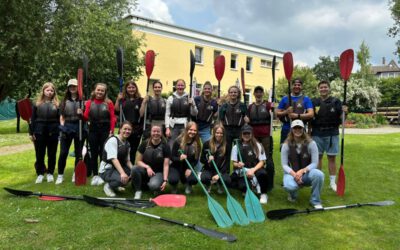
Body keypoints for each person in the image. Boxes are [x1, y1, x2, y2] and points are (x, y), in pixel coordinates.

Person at [311, 80, 347, 192]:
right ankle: (318, 180)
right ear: (318, 89)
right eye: (321, 87)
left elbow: (342, 119)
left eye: (325, 87)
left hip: (332, 133)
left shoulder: (336, 101)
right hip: (317, 133)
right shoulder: (314, 101)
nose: (323, 89)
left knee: (332, 158)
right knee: (318, 158)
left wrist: (345, 112)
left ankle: (332, 183)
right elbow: (309, 117)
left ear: (329, 88)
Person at [281, 119, 324, 209]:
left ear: (303, 129)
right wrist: (294, 174)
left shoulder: (312, 144)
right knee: (290, 186)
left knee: (319, 174)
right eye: (295, 128)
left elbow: (315, 163)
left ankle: (315, 200)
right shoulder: (285, 145)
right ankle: (292, 195)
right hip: (292, 173)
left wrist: (302, 171)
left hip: (306, 174)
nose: (297, 130)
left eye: (299, 128)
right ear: (291, 130)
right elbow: (284, 165)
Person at [81, 83, 116, 186]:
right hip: (93, 130)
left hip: (105, 130)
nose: (100, 92)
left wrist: (112, 130)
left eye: (102, 91)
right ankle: (95, 175)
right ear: (94, 90)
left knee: (103, 153)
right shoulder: (89, 103)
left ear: (105, 92)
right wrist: (80, 114)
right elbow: (86, 117)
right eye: (98, 90)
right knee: (94, 153)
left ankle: (102, 174)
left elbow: (112, 118)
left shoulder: (109, 103)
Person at [230, 124, 271, 204]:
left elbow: (262, 162)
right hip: (243, 170)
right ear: (241, 134)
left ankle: (263, 193)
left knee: (263, 174)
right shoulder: (236, 147)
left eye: (248, 133)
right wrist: (238, 164)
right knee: (238, 184)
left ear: (251, 134)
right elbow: (234, 163)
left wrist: (253, 170)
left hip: (256, 169)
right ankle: (249, 187)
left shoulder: (258, 145)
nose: (246, 135)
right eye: (244, 133)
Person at [29, 82, 60, 184]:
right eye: (47, 90)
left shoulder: (57, 105)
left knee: (52, 153)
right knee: (40, 154)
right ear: (43, 91)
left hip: (53, 131)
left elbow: (59, 120)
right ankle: (40, 174)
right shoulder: (36, 104)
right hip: (39, 131)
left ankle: (50, 173)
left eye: (51, 90)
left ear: (54, 92)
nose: (49, 92)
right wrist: (31, 132)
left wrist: (60, 132)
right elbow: (32, 119)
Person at [131, 125, 170, 199]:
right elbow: (138, 161)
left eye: (158, 131)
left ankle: (154, 185)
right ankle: (138, 191)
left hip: (158, 172)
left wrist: (165, 180)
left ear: (161, 133)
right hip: (145, 170)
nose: (156, 133)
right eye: (154, 131)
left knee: (154, 185)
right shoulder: (144, 144)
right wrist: (147, 167)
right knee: (134, 168)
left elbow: (166, 165)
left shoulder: (165, 146)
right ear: (150, 133)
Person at [56, 79, 82, 184]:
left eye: (74, 86)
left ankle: (75, 174)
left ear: (77, 87)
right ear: (68, 87)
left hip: (79, 126)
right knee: (63, 153)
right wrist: (63, 127)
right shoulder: (64, 101)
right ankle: (60, 175)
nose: (72, 88)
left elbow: (86, 115)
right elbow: (62, 117)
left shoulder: (82, 100)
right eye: (70, 86)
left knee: (78, 153)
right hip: (67, 126)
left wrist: (82, 112)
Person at [99, 121, 134, 197]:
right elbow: (114, 159)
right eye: (125, 129)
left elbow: (127, 160)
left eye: (129, 130)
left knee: (133, 174)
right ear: (120, 129)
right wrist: (122, 173)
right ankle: (108, 186)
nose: (127, 131)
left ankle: (115, 185)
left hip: (116, 169)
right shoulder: (113, 140)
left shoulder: (127, 144)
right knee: (122, 179)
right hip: (107, 169)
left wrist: (134, 170)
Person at [276, 78, 314, 145]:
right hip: (287, 128)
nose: (297, 86)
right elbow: (277, 113)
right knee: (285, 150)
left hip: (300, 128)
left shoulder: (306, 99)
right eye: (295, 85)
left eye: (299, 85)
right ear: (291, 86)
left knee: (301, 150)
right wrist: (286, 112)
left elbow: (311, 114)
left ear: (301, 87)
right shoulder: (285, 99)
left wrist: (297, 116)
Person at [115, 81, 143, 163]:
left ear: (136, 89)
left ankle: (130, 168)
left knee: (133, 150)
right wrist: (118, 99)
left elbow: (142, 114)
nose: (131, 89)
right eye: (129, 87)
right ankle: (122, 165)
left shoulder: (140, 100)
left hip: (136, 129)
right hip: (125, 128)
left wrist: (145, 102)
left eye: (133, 87)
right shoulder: (122, 100)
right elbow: (116, 110)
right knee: (123, 148)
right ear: (126, 89)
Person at [219, 85, 249, 164]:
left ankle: (238, 170)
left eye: (235, 92)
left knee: (239, 151)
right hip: (227, 130)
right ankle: (226, 171)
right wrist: (222, 131)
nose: (233, 94)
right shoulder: (224, 106)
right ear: (229, 93)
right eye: (231, 92)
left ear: (238, 93)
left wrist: (247, 121)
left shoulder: (242, 105)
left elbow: (246, 118)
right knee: (227, 151)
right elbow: (221, 120)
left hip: (239, 130)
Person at [165, 79, 198, 149]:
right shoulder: (170, 98)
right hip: (173, 126)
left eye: (182, 85)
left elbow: (195, 113)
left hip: (185, 125)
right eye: (178, 85)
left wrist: (192, 105)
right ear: (175, 86)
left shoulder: (190, 98)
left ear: (185, 86)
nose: (180, 87)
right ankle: (171, 159)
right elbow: (167, 114)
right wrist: (167, 128)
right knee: (171, 146)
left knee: (183, 146)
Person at [169, 121, 200, 194]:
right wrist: (179, 158)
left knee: (194, 179)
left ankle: (188, 185)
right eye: (191, 130)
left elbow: (196, 160)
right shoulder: (178, 141)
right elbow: (172, 157)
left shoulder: (197, 144)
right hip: (176, 166)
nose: (192, 132)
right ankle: (174, 186)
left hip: (187, 167)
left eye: (195, 130)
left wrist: (190, 168)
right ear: (186, 130)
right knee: (173, 179)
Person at [200, 123, 230, 193]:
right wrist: (208, 160)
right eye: (217, 133)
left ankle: (220, 184)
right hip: (209, 169)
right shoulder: (207, 144)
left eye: (221, 133)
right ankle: (208, 184)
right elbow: (201, 159)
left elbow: (227, 163)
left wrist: (219, 174)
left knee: (227, 180)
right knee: (204, 178)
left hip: (220, 170)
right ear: (214, 133)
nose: (219, 135)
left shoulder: (227, 145)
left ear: (223, 134)